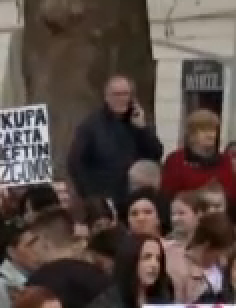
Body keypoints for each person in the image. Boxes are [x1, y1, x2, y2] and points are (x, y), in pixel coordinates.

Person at [68, 75, 165, 211]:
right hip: (105, 199)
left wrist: (143, 129)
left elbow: (156, 153)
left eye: (125, 94)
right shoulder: (91, 125)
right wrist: (91, 196)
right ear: (107, 97)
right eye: (116, 94)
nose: (121, 99)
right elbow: (75, 162)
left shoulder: (137, 123)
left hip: (136, 199)